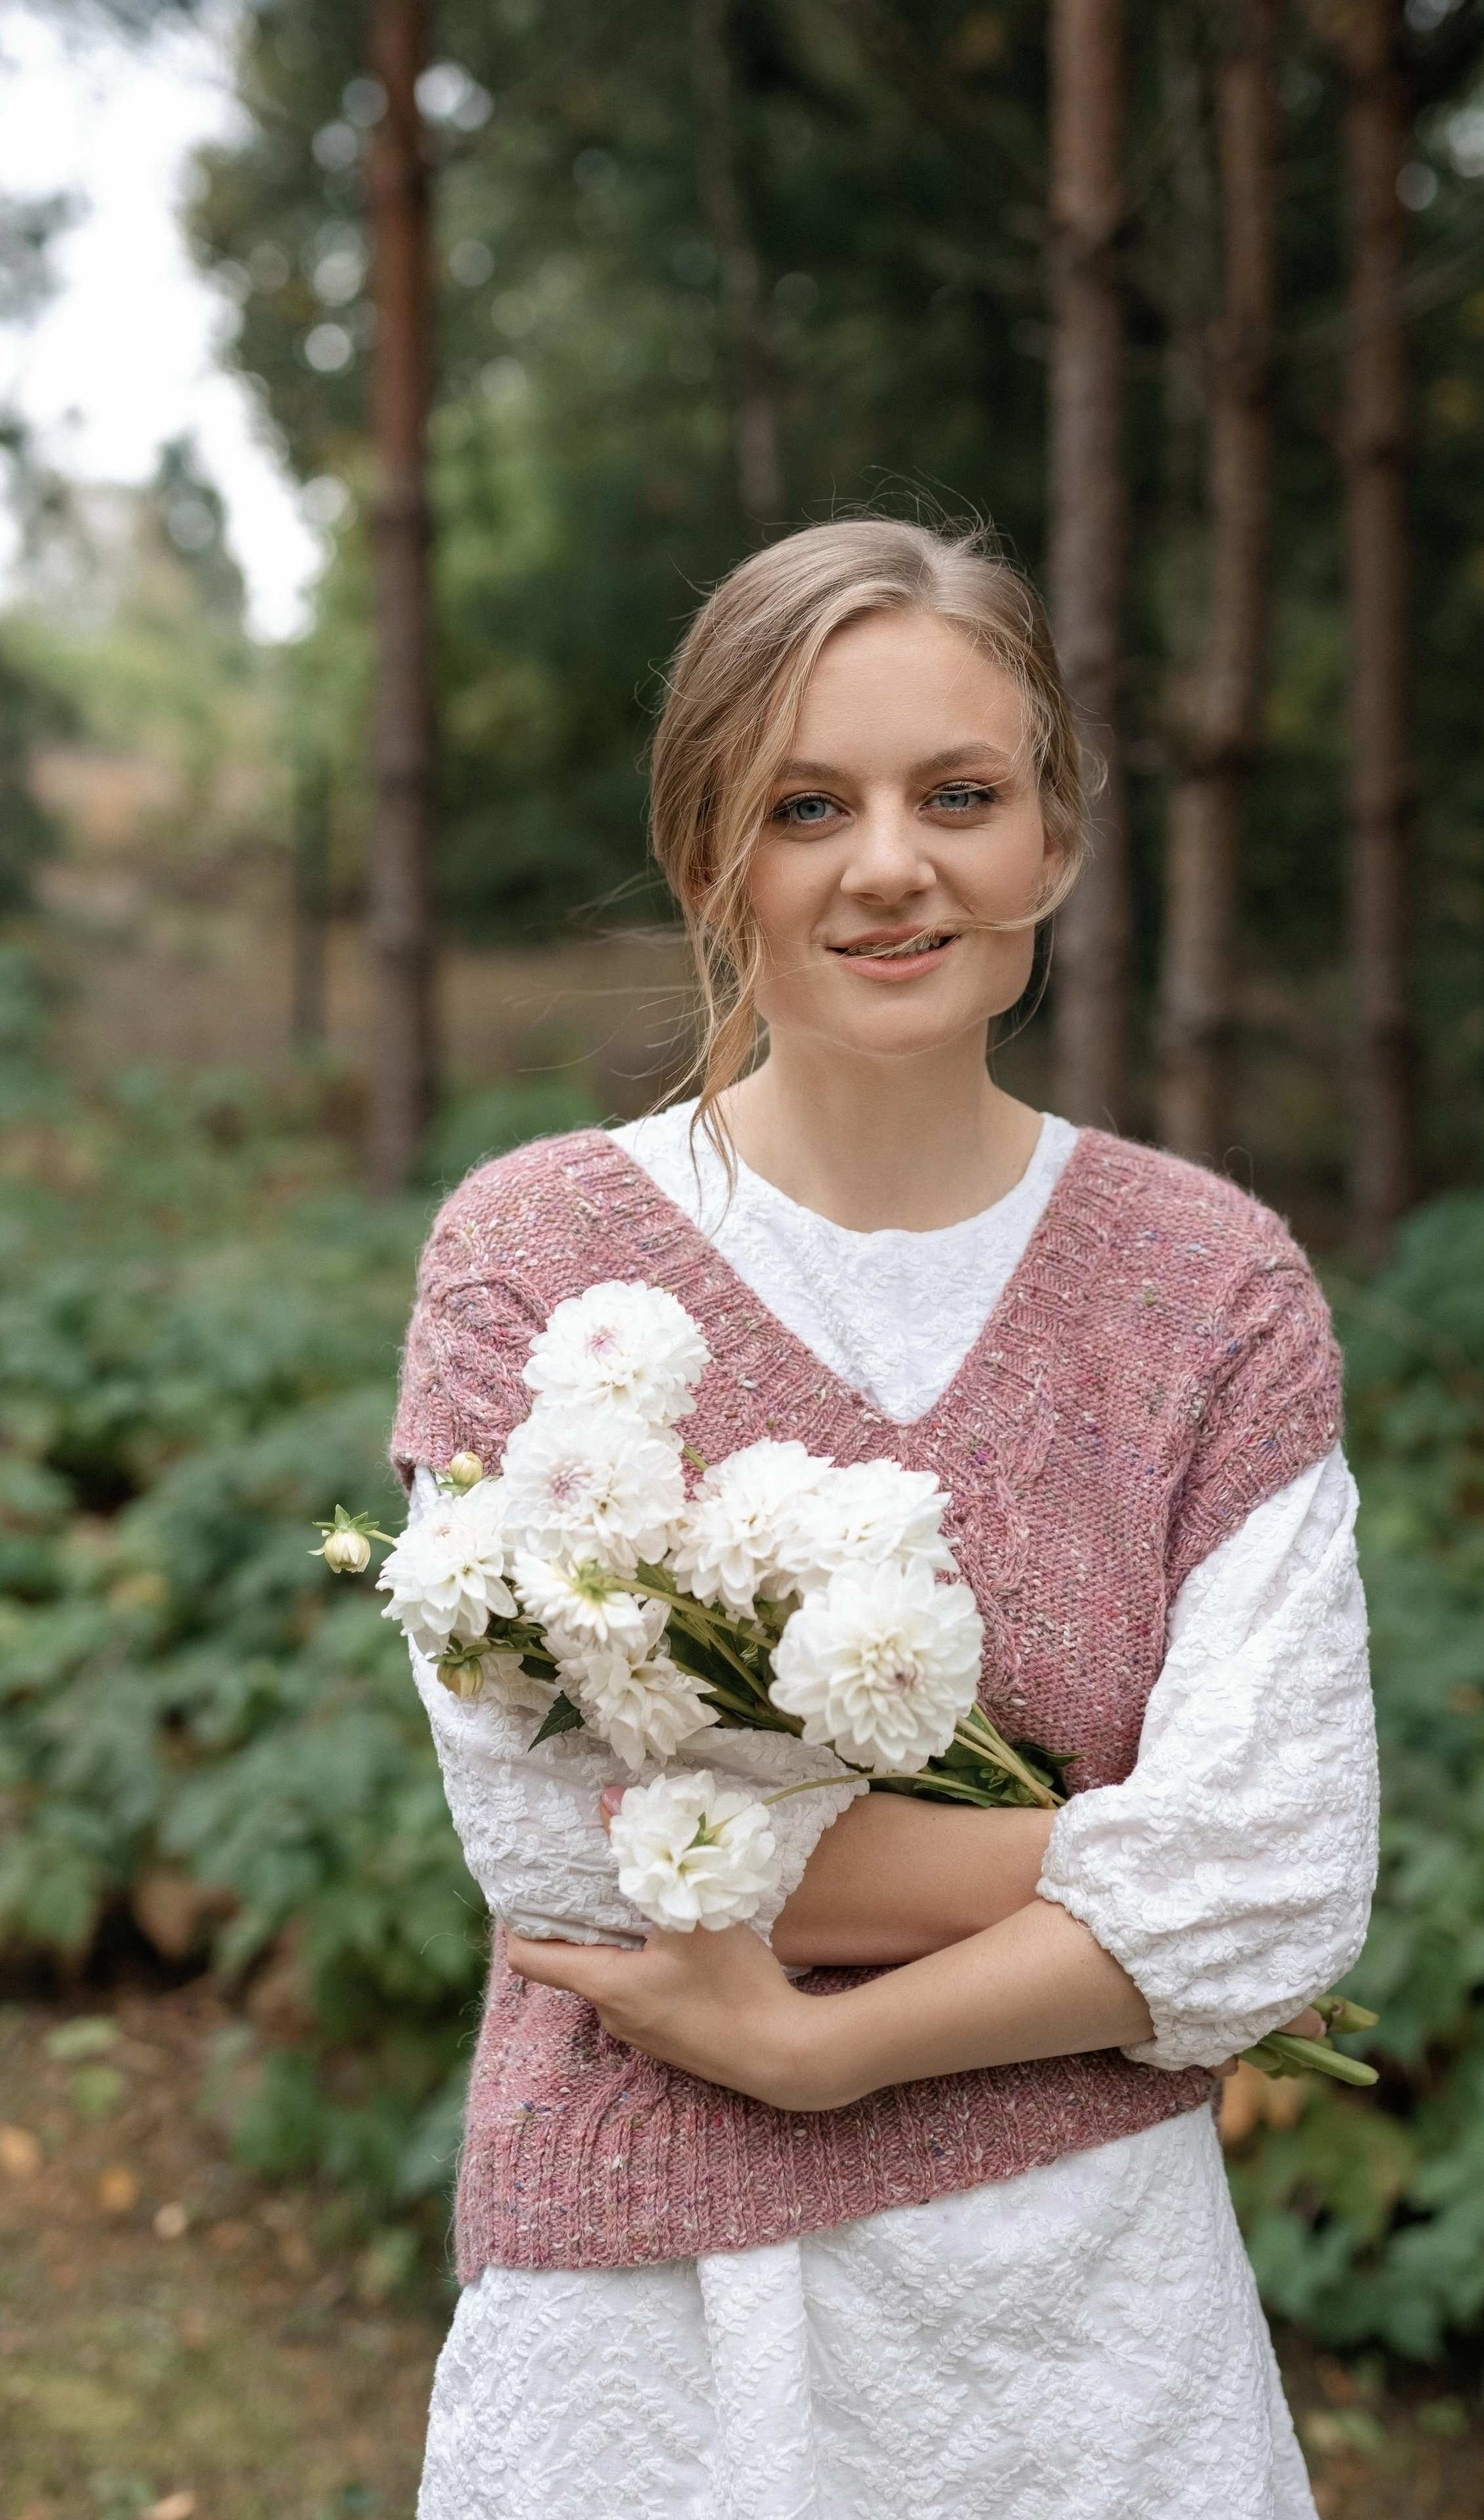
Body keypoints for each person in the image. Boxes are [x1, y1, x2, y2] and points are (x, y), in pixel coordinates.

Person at [392, 516, 1379, 2520]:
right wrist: (1126, 1871)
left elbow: (1285, 1880)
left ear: (1058, 843)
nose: (891, 865)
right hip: (652, 2334)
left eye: (961, 795)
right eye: (805, 805)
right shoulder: (536, 1259)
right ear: (710, 859)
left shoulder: (1215, 1291)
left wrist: (829, 2044)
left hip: (1092, 2338)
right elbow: (557, 1851)